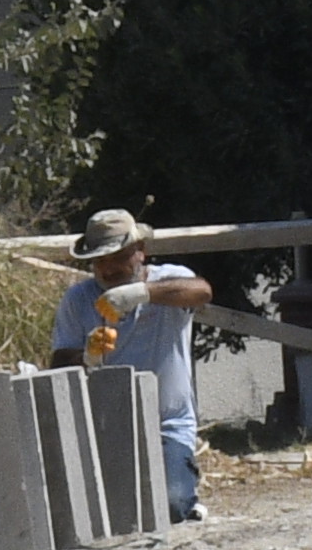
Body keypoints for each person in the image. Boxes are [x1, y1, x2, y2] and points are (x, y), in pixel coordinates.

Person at [53, 207, 214, 524]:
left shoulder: (169, 280)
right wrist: (86, 357)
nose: (108, 268)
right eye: (100, 260)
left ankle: (186, 495)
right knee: (112, 518)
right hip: (105, 429)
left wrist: (142, 294)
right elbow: (58, 359)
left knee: (170, 506)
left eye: (117, 257)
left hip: (168, 425)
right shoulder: (78, 299)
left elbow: (202, 291)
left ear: (141, 251)